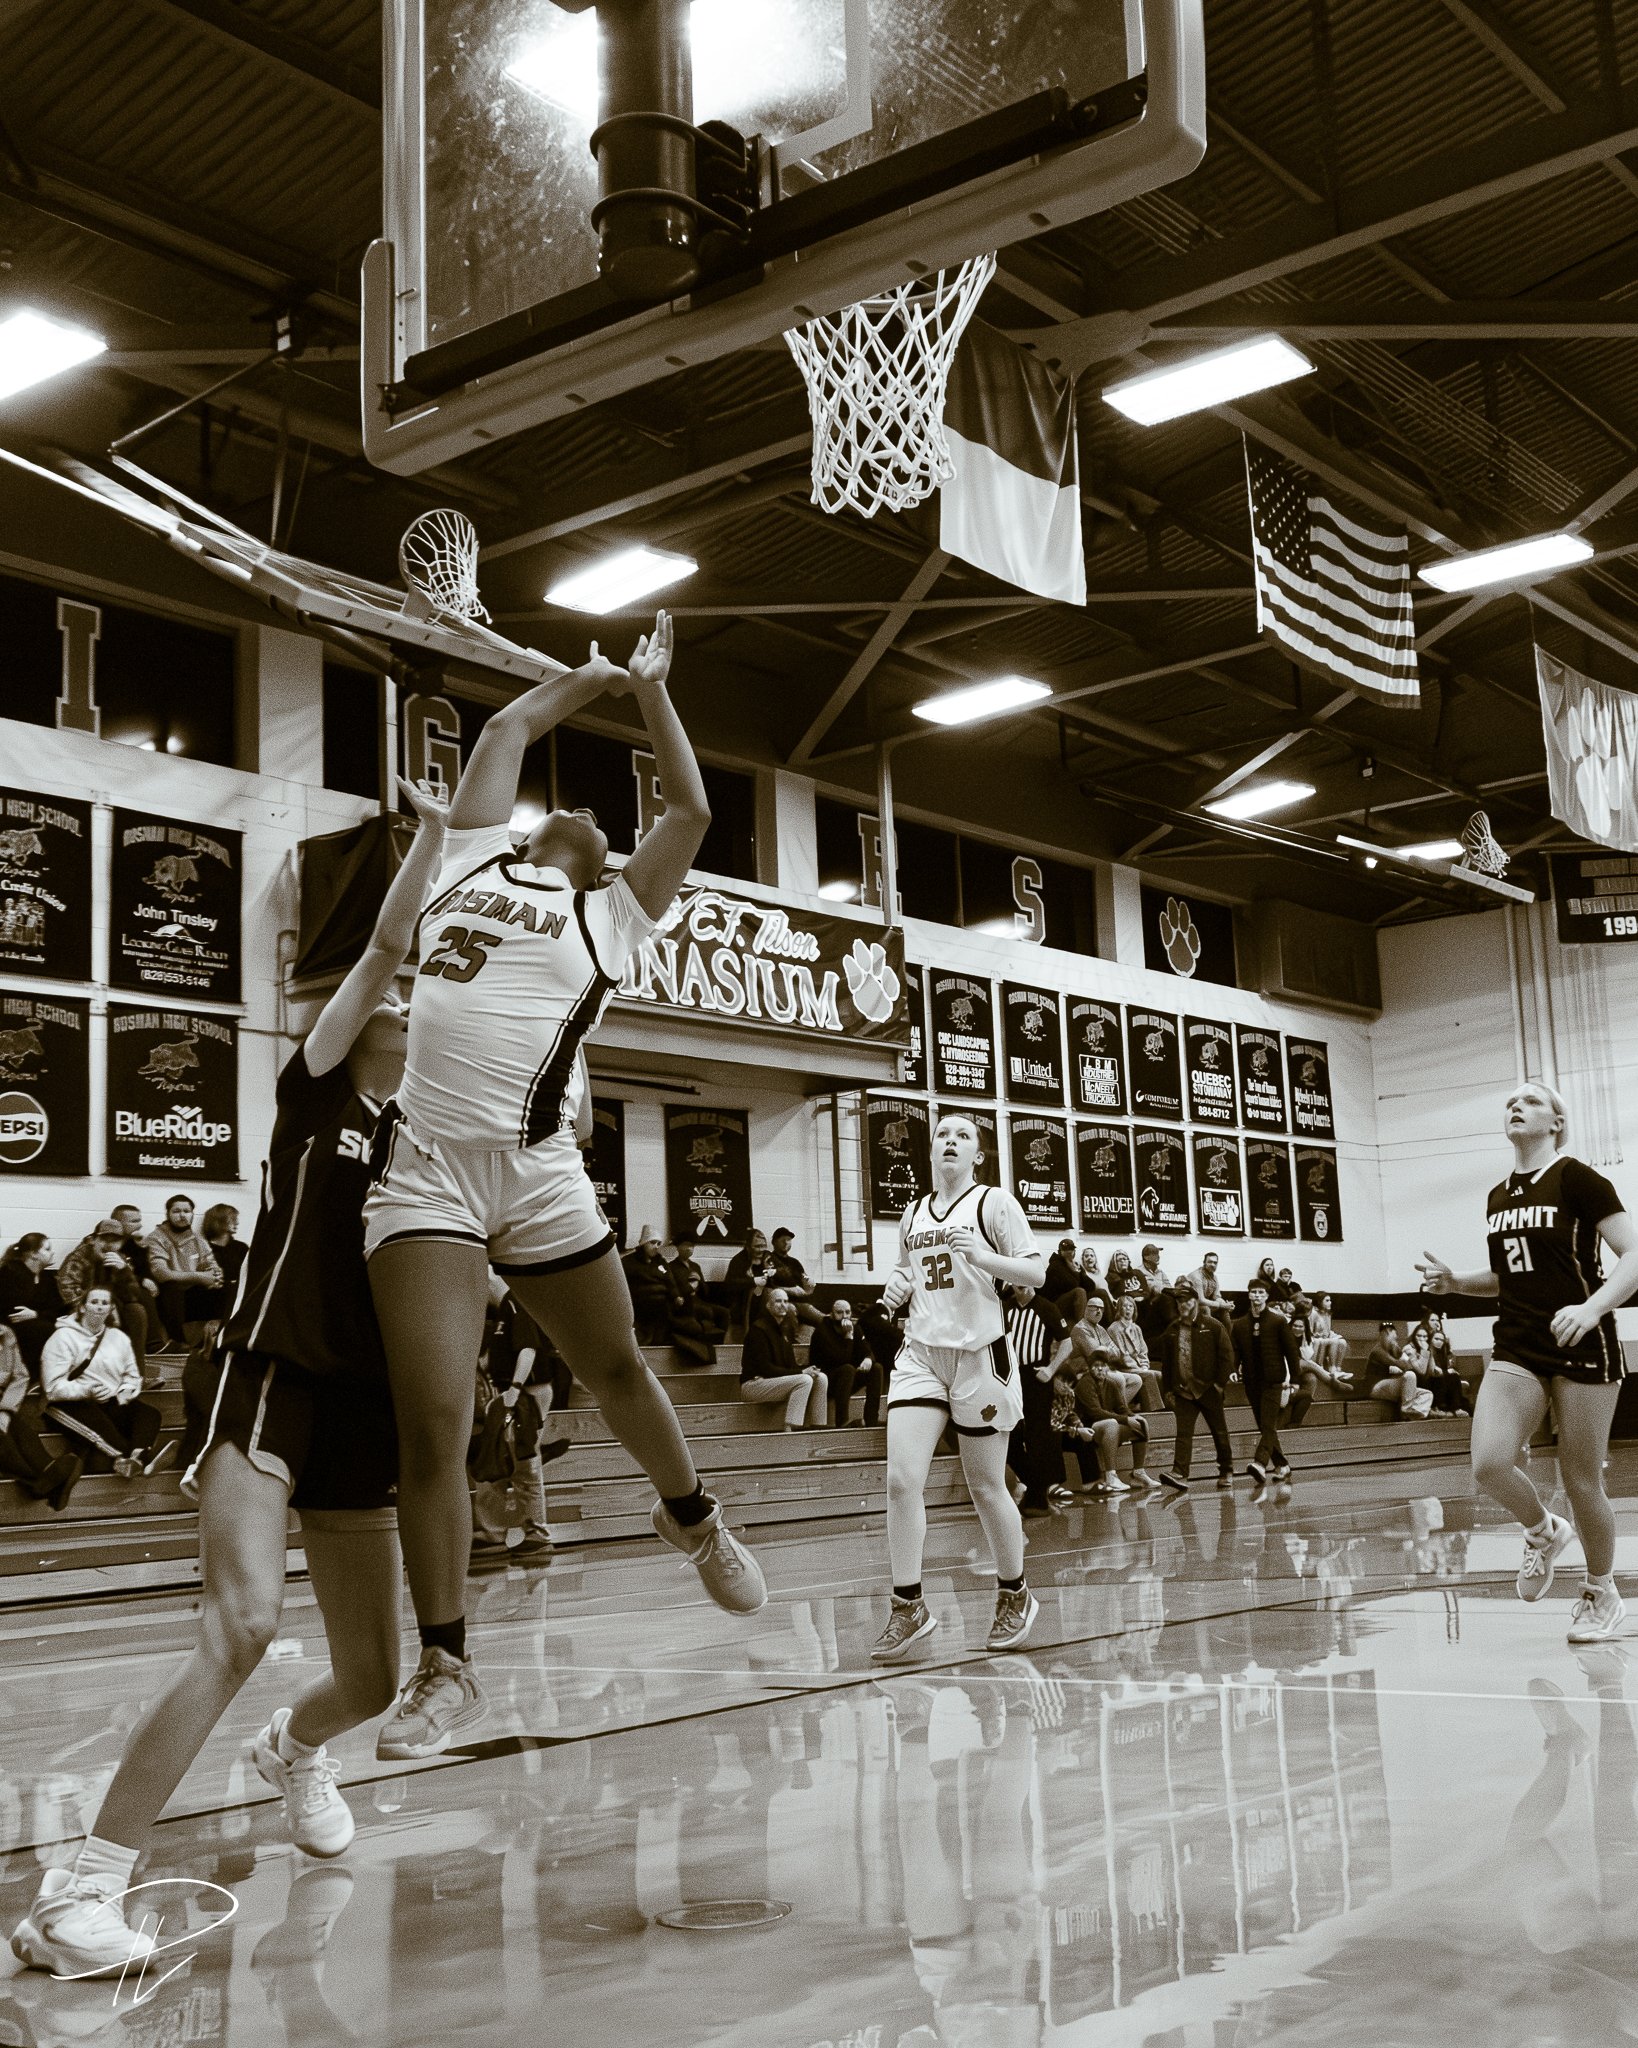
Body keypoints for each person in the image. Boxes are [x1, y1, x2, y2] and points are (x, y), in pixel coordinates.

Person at [9, 776, 450, 1984]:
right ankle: (83, 1888)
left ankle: (293, 1750)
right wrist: (437, 841)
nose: (405, 999)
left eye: (413, 997)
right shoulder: (314, 1088)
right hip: (269, 1372)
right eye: (391, 992)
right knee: (243, 1622)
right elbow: (395, 942)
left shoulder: (435, 1145)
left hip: (366, 1409)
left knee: (368, 1675)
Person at [363, 614, 766, 1755]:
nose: (578, 811)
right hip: (429, 1169)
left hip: (539, 1175)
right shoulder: (468, 857)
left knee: (617, 1365)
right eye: (568, 808)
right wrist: (574, 678)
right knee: (432, 1420)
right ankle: (446, 1664)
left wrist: (648, 693)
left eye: (594, 818)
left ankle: (694, 1519)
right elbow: (507, 722)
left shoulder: (614, 913)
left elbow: (687, 811)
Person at [1417, 1079, 1638, 1644]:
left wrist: (1591, 1309)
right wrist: (1456, 1282)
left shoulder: (1579, 1179)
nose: (1517, 1107)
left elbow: (1634, 1254)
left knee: (1581, 1479)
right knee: (1489, 1462)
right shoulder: (1498, 1196)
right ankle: (1543, 1531)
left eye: (1531, 1101)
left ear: (1556, 1122)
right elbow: (1505, 1275)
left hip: (1582, 1342)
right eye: (1511, 1102)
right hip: (1517, 1343)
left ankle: (1602, 1591)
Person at [871, 1111, 1045, 1662]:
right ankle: (908, 1605)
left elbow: (1036, 1273)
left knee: (986, 1486)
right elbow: (908, 1271)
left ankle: (1015, 1592)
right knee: (901, 1481)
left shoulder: (994, 1203)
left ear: (978, 1154)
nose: (951, 1141)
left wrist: (982, 1256)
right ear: (930, 1151)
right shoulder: (913, 1212)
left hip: (979, 1355)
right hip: (922, 1353)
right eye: (943, 1134)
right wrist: (898, 1284)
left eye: (963, 1136)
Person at [39, 1286, 170, 1478]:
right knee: (101, 1428)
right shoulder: (62, 1337)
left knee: (149, 1413)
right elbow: (52, 1387)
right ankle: (130, 1460)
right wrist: (87, 1390)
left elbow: (132, 1375)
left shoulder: (118, 1338)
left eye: (105, 1303)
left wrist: (125, 1391)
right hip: (68, 1403)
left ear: (110, 1309)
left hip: (110, 1400)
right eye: (94, 1302)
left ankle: (138, 1455)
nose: (99, 1307)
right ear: (82, 1307)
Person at [1155, 1279, 1234, 1489]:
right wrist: (1168, 1389)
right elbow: (1167, 1364)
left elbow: (1227, 1357)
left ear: (1196, 1302)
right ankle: (1180, 1473)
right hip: (1183, 1391)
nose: (1182, 1305)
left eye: (1186, 1301)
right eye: (1179, 1302)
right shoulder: (1172, 1330)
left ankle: (1226, 1470)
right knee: (1183, 1433)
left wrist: (1219, 1384)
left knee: (1219, 1431)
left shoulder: (1213, 1326)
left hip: (1209, 1389)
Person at [1002, 1283, 1069, 1515]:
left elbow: (1067, 1343)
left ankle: (1037, 1498)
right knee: (1008, 1435)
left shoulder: (1046, 1307)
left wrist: (1051, 1370)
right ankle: (1037, 1487)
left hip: (1036, 1378)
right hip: (1009, 1379)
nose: (1020, 1285)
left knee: (1037, 1437)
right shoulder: (1005, 1306)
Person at [0, 1321, 81, 1509]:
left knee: (18, 1427)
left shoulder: (5, 1334)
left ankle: (48, 1472)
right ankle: (42, 1481)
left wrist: (5, 1409)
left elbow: (20, 1376)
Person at [1232, 1279, 1300, 1483]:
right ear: (1249, 1295)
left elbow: (1291, 1352)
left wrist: (1295, 1379)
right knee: (1265, 1426)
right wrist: (1234, 1368)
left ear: (1267, 1296)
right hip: (1252, 1382)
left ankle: (1260, 1463)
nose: (1257, 1296)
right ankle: (1282, 1465)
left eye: (1261, 1292)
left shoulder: (1278, 1322)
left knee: (1268, 1424)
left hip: (1273, 1381)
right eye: (1253, 1292)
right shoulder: (1240, 1325)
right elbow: (1236, 1352)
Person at [738, 1285, 826, 1429]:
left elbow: (791, 1366)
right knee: (804, 1380)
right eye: (778, 1301)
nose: (783, 1305)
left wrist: (809, 1370)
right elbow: (765, 1369)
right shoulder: (758, 1330)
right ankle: (790, 1428)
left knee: (821, 1377)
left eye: (785, 1301)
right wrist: (802, 1373)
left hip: (774, 1382)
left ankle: (818, 1425)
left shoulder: (784, 1330)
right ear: (768, 1305)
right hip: (754, 1385)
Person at [143, 1195, 224, 1347]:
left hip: (190, 1292)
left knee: (225, 1290)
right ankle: (178, 1343)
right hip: (166, 1294)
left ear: (192, 1214)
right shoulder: (156, 1238)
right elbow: (162, 1274)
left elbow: (212, 1267)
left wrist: (214, 1277)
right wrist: (200, 1277)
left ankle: (214, 1343)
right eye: (176, 1211)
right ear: (167, 1214)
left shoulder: (197, 1240)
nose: (182, 1215)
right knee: (171, 1288)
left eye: (186, 1211)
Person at [809, 1297, 882, 1426]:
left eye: (847, 1312)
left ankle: (871, 1419)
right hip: (825, 1382)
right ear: (831, 1314)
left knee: (876, 1368)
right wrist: (848, 1337)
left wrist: (868, 1359)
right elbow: (841, 1359)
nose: (844, 1316)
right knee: (847, 1369)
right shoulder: (822, 1331)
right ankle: (842, 1422)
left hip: (847, 1380)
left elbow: (867, 1350)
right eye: (839, 1312)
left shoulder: (855, 1328)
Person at [0, 1233, 61, 1378]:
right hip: (9, 1325)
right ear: (33, 1254)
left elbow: (58, 1307)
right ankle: (33, 1376)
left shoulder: (47, 1277)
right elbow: (14, 1311)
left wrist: (37, 1314)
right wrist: (42, 1314)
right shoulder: (9, 1272)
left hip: (35, 1322)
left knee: (58, 1328)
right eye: (47, 1249)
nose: (52, 1253)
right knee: (42, 1330)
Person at [1107, 1294, 1165, 1408]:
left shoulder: (1136, 1328)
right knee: (1148, 1375)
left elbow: (1143, 1351)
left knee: (1159, 1375)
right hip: (1123, 1367)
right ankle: (1154, 1409)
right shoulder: (1114, 1328)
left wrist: (1144, 1365)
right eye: (1125, 1306)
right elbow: (1122, 1355)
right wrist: (1139, 1368)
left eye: (1131, 1306)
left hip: (1138, 1366)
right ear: (1119, 1309)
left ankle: (1160, 1406)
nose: (1128, 1309)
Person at [665, 1258, 727, 1364]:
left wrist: (700, 1281)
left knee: (724, 1313)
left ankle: (718, 1344)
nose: (689, 1248)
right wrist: (689, 1287)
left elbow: (705, 1292)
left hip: (698, 1300)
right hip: (684, 1301)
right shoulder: (672, 1267)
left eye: (691, 1246)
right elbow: (673, 1288)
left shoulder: (695, 1266)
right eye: (686, 1245)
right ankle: (701, 1346)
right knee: (705, 1311)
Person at [1366, 1321, 1431, 1417]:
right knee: (1410, 1375)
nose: (1396, 1337)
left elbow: (1409, 1366)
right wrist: (1401, 1360)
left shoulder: (1393, 1348)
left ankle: (1412, 1415)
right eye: (1394, 1333)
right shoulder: (1377, 1351)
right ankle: (1406, 1409)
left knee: (1427, 1394)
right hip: (1376, 1387)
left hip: (1390, 1386)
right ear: (1389, 1332)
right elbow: (1404, 1366)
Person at [1415, 1312, 1473, 1415]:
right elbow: (1433, 1372)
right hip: (1428, 1380)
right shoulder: (1426, 1349)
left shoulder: (1443, 1352)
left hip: (1440, 1379)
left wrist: (1447, 1370)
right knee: (1450, 1378)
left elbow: (1450, 1366)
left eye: (1442, 1340)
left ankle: (1455, 1409)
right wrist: (1447, 1372)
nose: (1440, 1342)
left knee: (1454, 1380)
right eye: (1437, 1339)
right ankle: (1448, 1408)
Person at [621, 1228, 672, 1345]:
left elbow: (670, 1281)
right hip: (639, 1306)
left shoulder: (660, 1261)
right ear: (644, 1243)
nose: (656, 1246)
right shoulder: (628, 1262)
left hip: (660, 1308)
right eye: (652, 1242)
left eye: (659, 1243)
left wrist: (676, 1296)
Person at [768, 1228, 824, 1329]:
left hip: (800, 1302)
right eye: (782, 1239)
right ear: (774, 1242)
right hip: (782, 1302)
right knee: (791, 1310)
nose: (786, 1242)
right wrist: (791, 1291)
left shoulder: (795, 1262)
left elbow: (805, 1280)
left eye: (788, 1239)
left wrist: (809, 1284)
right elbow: (769, 1285)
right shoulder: (769, 1259)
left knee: (823, 1319)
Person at [724, 1229, 777, 1331]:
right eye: (757, 1246)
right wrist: (753, 1281)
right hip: (743, 1300)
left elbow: (782, 1276)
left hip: (765, 1297)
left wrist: (771, 1271)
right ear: (748, 1247)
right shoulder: (738, 1260)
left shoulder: (768, 1257)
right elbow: (730, 1284)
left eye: (763, 1246)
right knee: (757, 1292)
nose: (761, 1249)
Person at [201, 1203, 249, 1306]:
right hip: (211, 1303)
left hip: (238, 1301)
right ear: (219, 1221)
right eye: (232, 1219)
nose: (237, 1223)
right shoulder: (203, 1248)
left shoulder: (241, 1248)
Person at [1185, 1250, 1235, 1334]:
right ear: (1204, 1263)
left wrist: (1227, 1305)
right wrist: (1222, 1305)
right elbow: (1201, 1300)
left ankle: (1228, 1340)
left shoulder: (1214, 1277)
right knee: (1205, 1309)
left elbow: (1216, 1297)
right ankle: (1208, 1337)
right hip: (1190, 1305)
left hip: (1203, 1305)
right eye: (1210, 1262)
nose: (1212, 1265)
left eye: (1215, 1263)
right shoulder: (1196, 1276)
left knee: (1224, 1311)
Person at [1308, 1289, 1350, 1373]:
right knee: (1333, 1342)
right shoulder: (1313, 1313)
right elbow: (1309, 1330)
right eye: (1327, 1300)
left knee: (1342, 1342)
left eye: (1330, 1300)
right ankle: (1332, 1367)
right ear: (1320, 1302)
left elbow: (1327, 1330)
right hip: (1314, 1339)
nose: (1330, 1302)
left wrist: (1333, 1336)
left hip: (1325, 1337)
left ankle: (1338, 1367)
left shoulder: (1327, 1313)